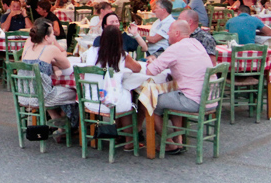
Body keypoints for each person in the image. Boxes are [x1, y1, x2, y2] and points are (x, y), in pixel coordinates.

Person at [145, 21, 214, 153]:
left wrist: (151, 61)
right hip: (210, 98)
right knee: (174, 96)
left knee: (149, 102)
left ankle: (169, 143)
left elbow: (150, 71)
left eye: (169, 31)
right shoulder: (196, 44)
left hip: (194, 100)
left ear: (177, 33)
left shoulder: (176, 49)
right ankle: (179, 141)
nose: (167, 33)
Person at [82, 25, 142, 150]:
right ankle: (129, 140)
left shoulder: (91, 52)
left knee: (123, 94)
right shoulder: (121, 55)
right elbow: (137, 68)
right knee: (128, 97)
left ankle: (116, 133)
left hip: (90, 100)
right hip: (111, 102)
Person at [18, 19, 79, 133]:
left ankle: (58, 122)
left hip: (24, 95)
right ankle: (67, 125)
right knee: (77, 92)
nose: (54, 35)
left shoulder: (27, 47)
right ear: (46, 37)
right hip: (41, 97)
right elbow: (66, 65)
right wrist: (55, 59)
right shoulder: (51, 49)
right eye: (52, 34)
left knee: (50, 88)